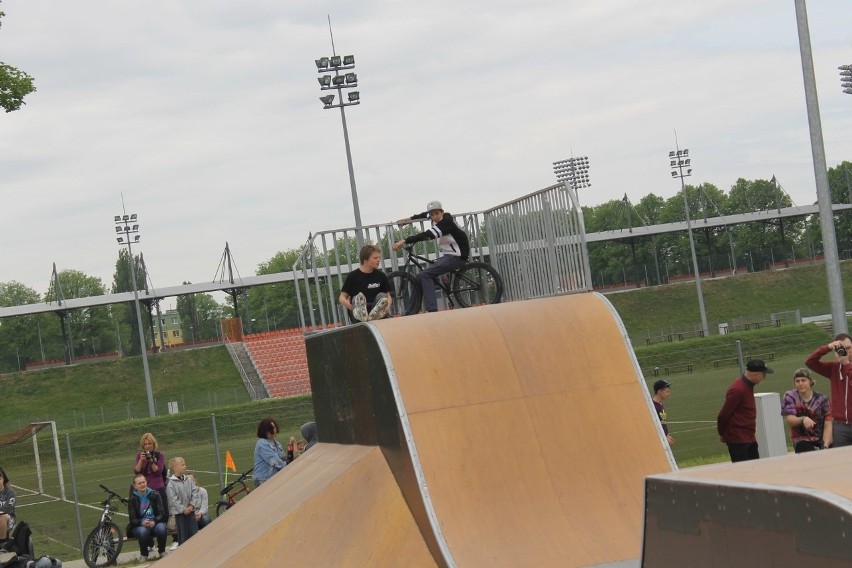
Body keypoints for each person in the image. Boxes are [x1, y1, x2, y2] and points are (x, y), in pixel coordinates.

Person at [392, 200, 470, 313]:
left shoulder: (446, 222)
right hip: (449, 254)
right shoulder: (433, 216)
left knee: (425, 275)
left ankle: (432, 310)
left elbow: (427, 234)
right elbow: (424, 214)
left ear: (442, 212)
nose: (434, 217)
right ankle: (410, 311)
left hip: (457, 256)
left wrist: (404, 241)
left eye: (437, 214)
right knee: (419, 277)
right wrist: (410, 219)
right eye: (432, 215)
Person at [717, 359, 773, 462]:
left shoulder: (747, 386)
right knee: (744, 472)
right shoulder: (738, 389)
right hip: (738, 440)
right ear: (755, 374)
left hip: (748, 437)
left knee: (755, 469)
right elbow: (723, 415)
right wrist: (722, 433)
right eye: (763, 374)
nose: (764, 377)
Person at [805, 333, 852, 447]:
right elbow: (810, 362)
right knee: (841, 461)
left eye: (849, 348)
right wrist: (828, 347)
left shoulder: (844, 365)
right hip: (841, 425)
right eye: (842, 349)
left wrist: (846, 363)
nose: (846, 352)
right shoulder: (834, 368)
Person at [781, 368, 832, 452]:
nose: (800, 383)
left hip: (820, 438)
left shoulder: (822, 399)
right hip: (801, 439)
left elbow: (828, 423)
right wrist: (803, 419)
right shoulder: (790, 396)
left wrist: (825, 445)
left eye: (803, 380)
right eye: (797, 381)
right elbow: (790, 420)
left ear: (811, 381)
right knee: (805, 449)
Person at [339, 244, 392, 322]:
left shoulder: (381, 276)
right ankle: (362, 315)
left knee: (382, 296)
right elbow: (341, 297)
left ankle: (373, 316)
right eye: (375, 258)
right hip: (358, 314)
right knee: (357, 298)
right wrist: (349, 305)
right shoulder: (353, 276)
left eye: (379, 258)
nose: (378, 260)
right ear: (365, 260)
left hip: (376, 311)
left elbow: (388, 296)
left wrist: (388, 306)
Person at [127, 473, 167, 560]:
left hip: (154, 522)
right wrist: (142, 522)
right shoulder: (132, 499)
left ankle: (162, 551)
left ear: (146, 482)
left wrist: (155, 521)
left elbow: (161, 513)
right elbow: (132, 519)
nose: (142, 485)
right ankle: (144, 554)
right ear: (135, 486)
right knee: (143, 532)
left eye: (143, 482)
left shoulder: (155, 494)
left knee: (161, 528)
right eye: (139, 483)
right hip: (139, 525)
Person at [165, 457, 199, 548]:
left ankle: (196, 548)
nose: (185, 466)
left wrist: (191, 506)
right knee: (183, 535)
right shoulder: (171, 484)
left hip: (190, 512)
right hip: (180, 514)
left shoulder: (189, 479)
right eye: (182, 465)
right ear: (175, 468)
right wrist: (183, 509)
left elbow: (195, 492)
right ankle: (184, 551)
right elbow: (173, 499)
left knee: (193, 532)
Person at [133, 433, 168, 519]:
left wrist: (151, 461)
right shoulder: (139, 456)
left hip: (158, 488)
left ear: (153, 444)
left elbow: (158, 471)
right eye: (145, 444)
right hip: (145, 490)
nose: (147, 446)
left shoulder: (160, 455)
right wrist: (141, 460)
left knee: (162, 513)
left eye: (149, 443)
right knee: (147, 514)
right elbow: (136, 471)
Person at [253, 418, 287, 487]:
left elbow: (283, 458)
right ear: (264, 432)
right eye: (270, 429)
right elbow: (274, 461)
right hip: (263, 479)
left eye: (274, 427)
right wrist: (287, 465)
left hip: (274, 477)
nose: (274, 430)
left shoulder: (277, 443)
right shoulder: (262, 443)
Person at [651, 380, 675, 447]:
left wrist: (666, 434)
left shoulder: (659, 404)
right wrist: (663, 437)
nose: (669, 394)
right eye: (667, 391)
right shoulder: (654, 407)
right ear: (659, 392)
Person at [0, 467, 15, 550]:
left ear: (3, 480)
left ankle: (3, 544)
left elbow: (8, 508)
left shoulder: (9, 492)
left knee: (2, 517)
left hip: (8, 518)